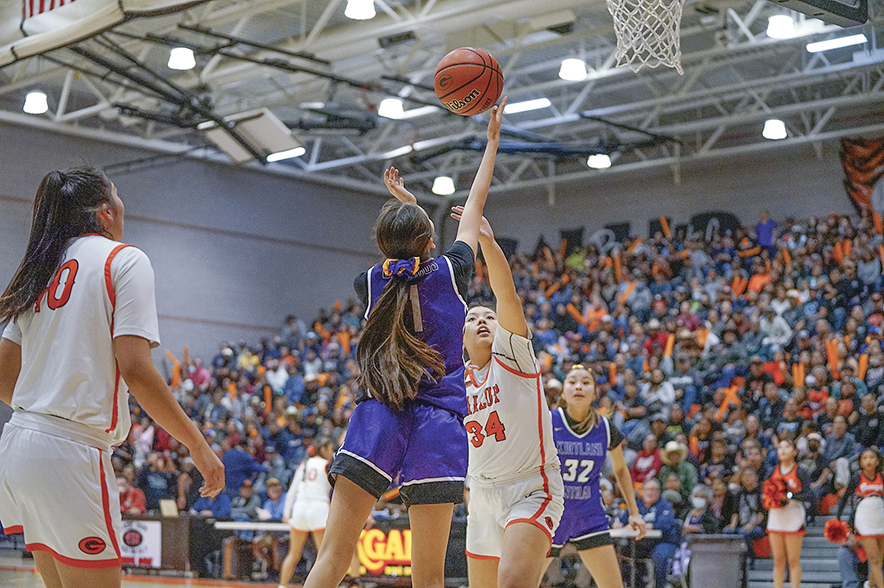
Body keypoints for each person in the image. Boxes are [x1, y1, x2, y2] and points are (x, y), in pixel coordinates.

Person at [303, 98, 506, 588]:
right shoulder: (450, 272)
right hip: (439, 425)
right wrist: (492, 141)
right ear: (431, 241)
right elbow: (473, 209)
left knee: (331, 558)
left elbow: (403, 258)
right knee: (428, 576)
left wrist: (406, 209)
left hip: (379, 415)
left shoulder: (367, 282)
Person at [0, 168, 224, 586]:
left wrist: (45, 409)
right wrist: (197, 443)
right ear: (105, 212)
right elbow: (136, 370)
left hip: (18, 444)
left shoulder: (41, 266)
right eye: (118, 197)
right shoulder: (124, 259)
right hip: (71, 453)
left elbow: (2, 373)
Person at [459, 211, 564, 588]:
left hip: (531, 486)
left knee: (513, 582)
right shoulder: (456, 380)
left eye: (490, 317)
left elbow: (507, 295)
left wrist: (487, 244)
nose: (484, 320)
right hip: (483, 495)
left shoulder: (512, 355)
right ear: (462, 336)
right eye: (473, 318)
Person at [545, 364, 647, 588]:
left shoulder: (605, 427)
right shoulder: (547, 421)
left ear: (595, 392)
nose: (578, 386)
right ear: (563, 392)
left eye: (585, 382)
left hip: (589, 516)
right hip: (550, 515)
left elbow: (620, 468)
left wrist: (634, 512)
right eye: (572, 382)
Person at [279, 439, 335, 588]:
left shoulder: (304, 464)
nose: (332, 452)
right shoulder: (327, 465)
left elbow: (292, 491)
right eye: (330, 449)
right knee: (323, 557)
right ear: (322, 449)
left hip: (299, 509)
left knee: (293, 554)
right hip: (318, 509)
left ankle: (282, 586)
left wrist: (286, 513)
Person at [765, 438, 811, 588]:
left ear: (795, 452)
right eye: (780, 448)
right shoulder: (771, 470)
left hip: (793, 516)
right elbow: (765, 491)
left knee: (793, 560)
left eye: (787, 447)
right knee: (778, 560)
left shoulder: (801, 471)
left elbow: (809, 495)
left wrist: (789, 496)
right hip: (776, 516)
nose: (783, 450)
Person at [834, 448, 884, 588]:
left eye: (872, 457)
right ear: (860, 462)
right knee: (872, 559)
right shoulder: (856, 478)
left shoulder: (882, 477)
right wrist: (838, 519)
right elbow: (844, 499)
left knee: (878, 561)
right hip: (864, 522)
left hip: (880, 519)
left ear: (877, 461)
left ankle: (869, 585)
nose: (868, 461)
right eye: (865, 458)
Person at [621, 478, 679, 588]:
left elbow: (664, 525)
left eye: (653, 489)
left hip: (663, 542)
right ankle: (636, 585)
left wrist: (643, 525)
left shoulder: (664, 505)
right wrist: (620, 525)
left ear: (658, 491)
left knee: (660, 555)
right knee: (623, 553)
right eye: (647, 489)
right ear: (642, 491)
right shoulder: (636, 505)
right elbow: (622, 521)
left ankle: (659, 585)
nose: (649, 492)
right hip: (641, 543)